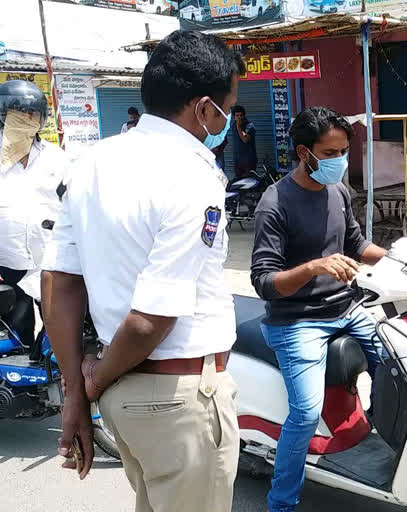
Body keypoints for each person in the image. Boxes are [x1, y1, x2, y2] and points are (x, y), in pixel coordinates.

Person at [42, 30, 244, 512]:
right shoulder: (194, 175)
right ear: (202, 109)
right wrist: (88, 385)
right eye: (227, 108)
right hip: (178, 398)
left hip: (127, 399)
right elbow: (153, 317)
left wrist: (77, 390)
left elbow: (59, 282)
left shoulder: (90, 162)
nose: (227, 121)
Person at [251, 106, 388, 512]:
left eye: (344, 151)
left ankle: (373, 439)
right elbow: (264, 282)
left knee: (401, 364)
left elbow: (357, 244)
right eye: (330, 153)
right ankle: (282, 502)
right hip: (297, 320)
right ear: (303, 152)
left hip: (346, 307)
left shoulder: (339, 191)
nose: (340, 161)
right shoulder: (274, 203)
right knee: (306, 412)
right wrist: (313, 266)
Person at [0, 79, 68, 347]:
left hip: (50, 264)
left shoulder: (56, 158)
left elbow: (72, 205)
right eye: (20, 115)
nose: (28, 120)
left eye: (34, 115)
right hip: (7, 267)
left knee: (58, 342)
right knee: (15, 339)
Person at [232, 104, 258, 178]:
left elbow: (245, 139)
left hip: (249, 161)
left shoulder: (250, 126)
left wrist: (239, 127)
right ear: (234, 117)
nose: (239, 117)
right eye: (237, 116)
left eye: (241, 115)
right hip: (238, 161)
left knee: (249, 182)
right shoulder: (233, 125)